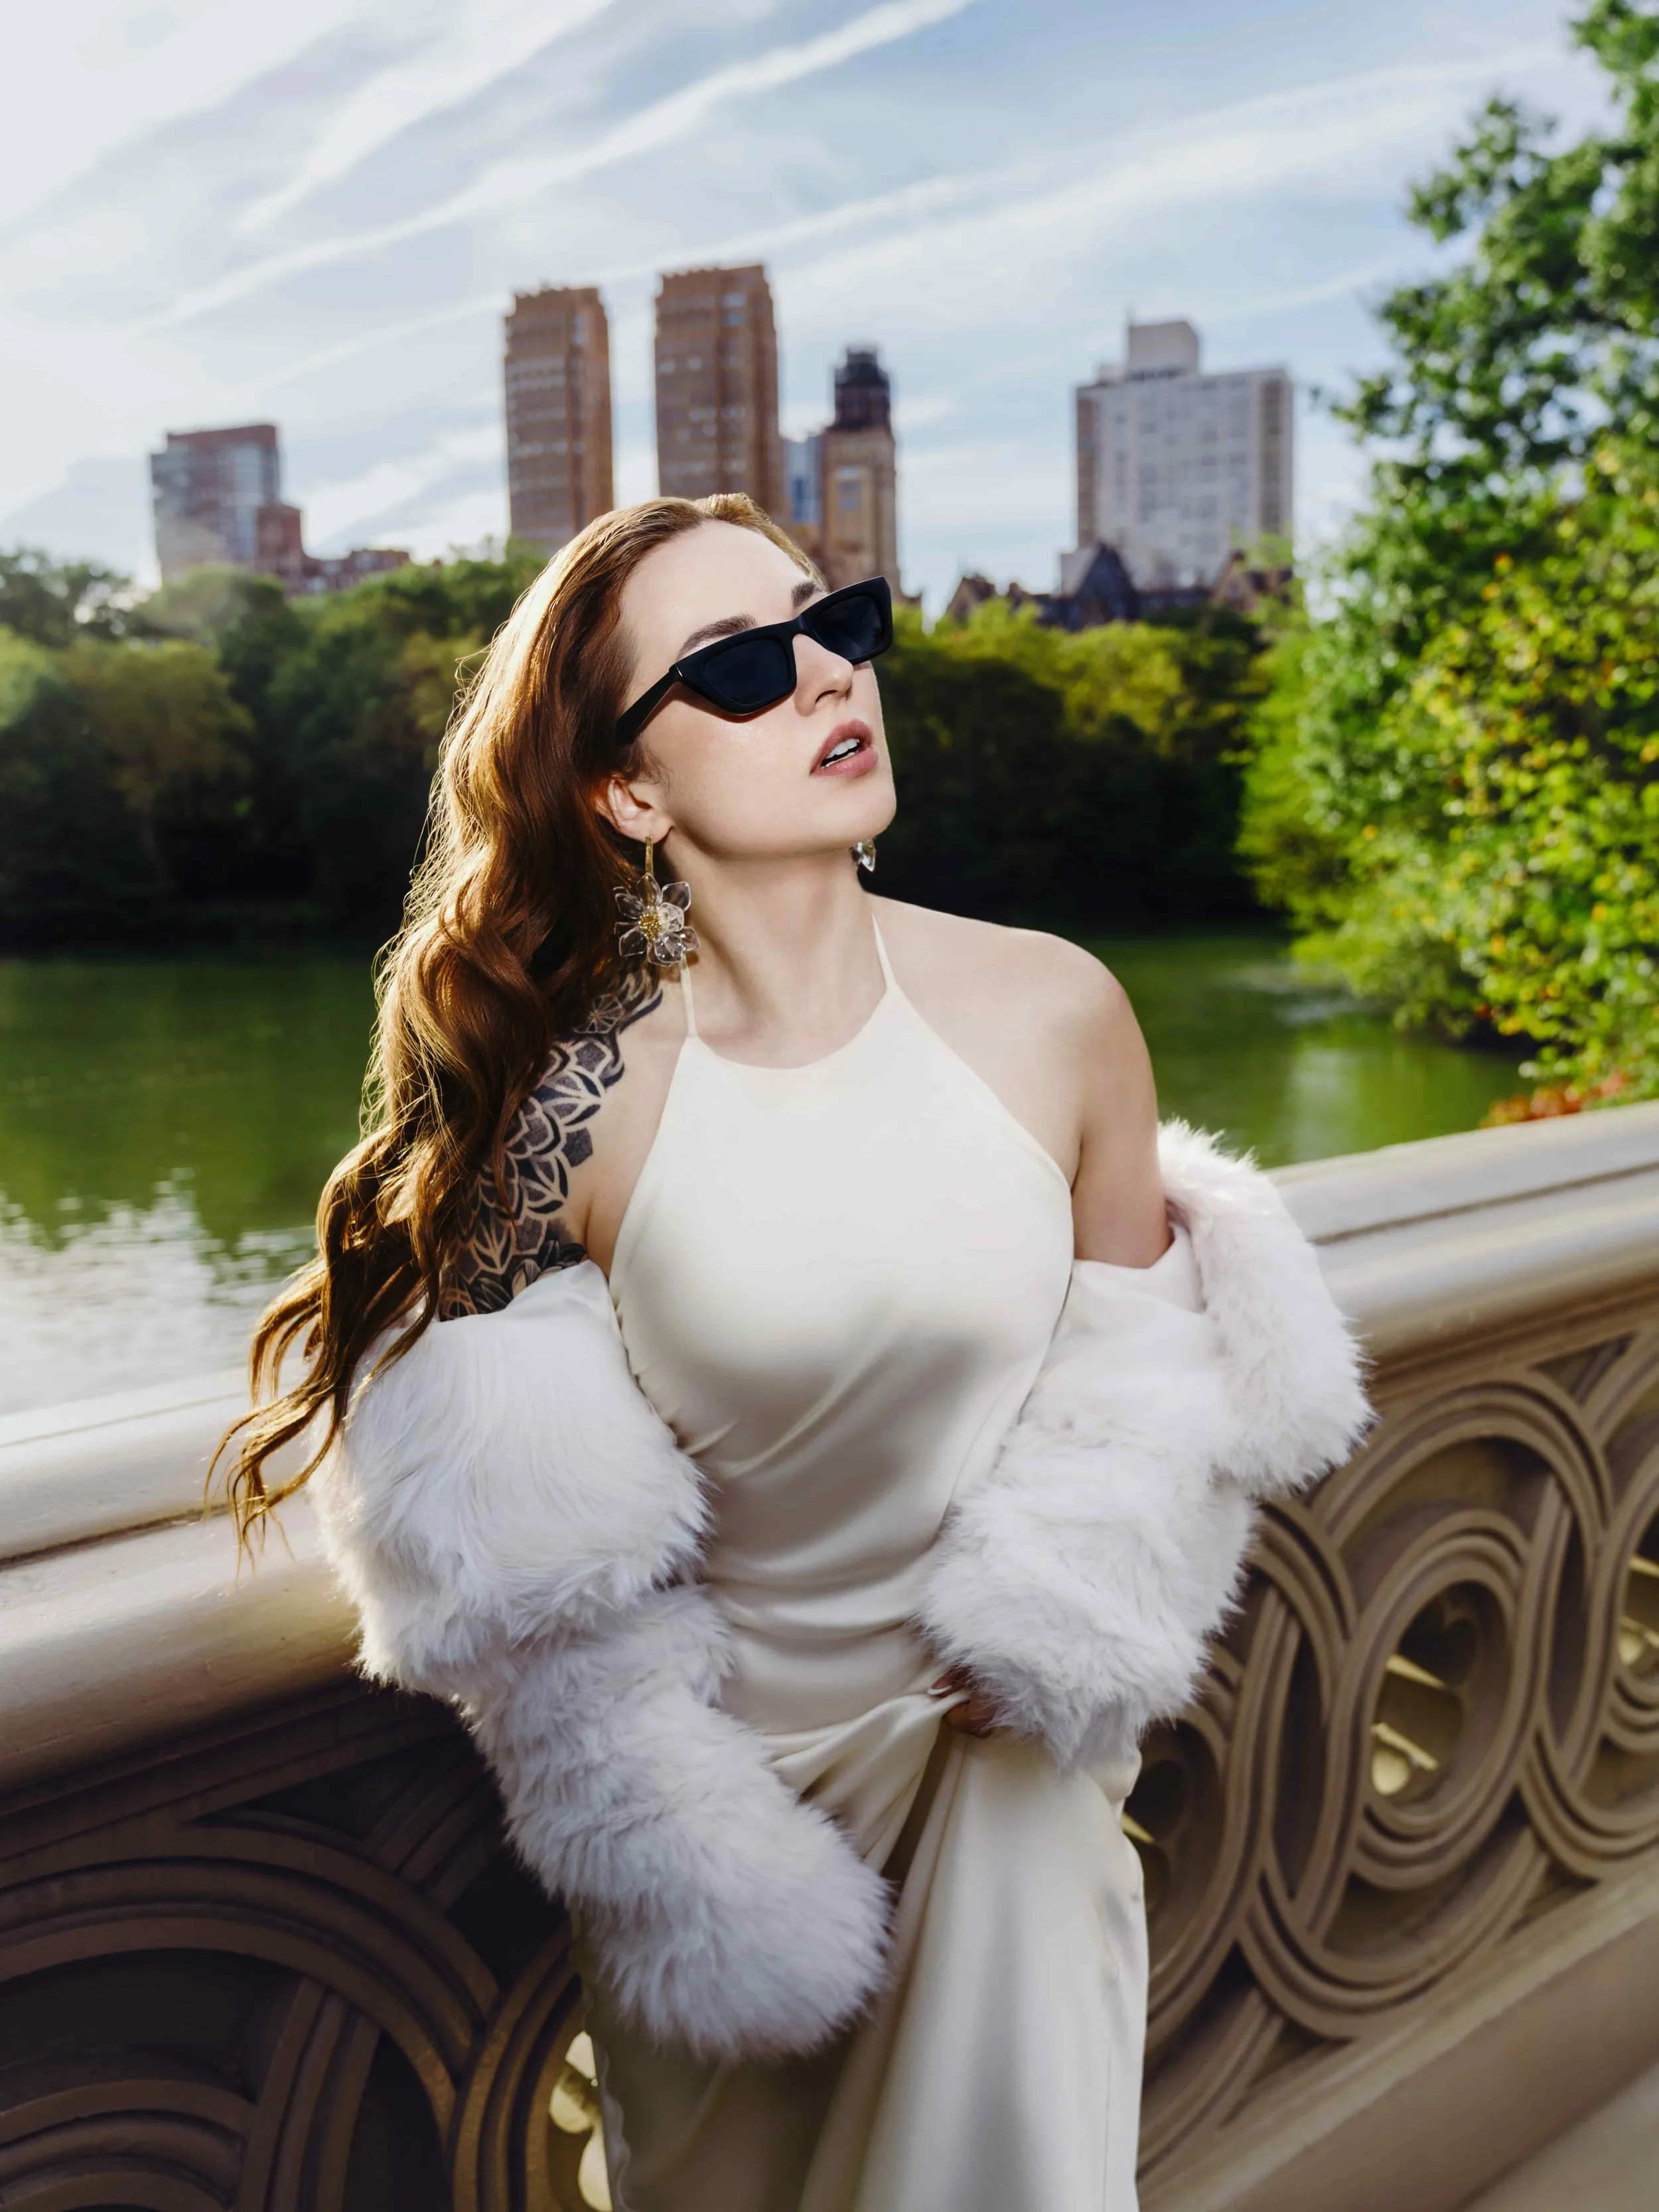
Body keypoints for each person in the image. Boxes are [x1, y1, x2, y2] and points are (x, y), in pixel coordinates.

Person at [222, 493, 1369, 2212]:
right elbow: (475, 1494)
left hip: (1005, 1791)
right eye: (740, 670)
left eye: (832, 624)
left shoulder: (1059, 1010)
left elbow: (1149, 1400)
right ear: (625, 787)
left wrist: (1070, 1613)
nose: (826, 673)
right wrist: (655, 1813)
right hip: (732, 1854)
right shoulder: (572, 1108)